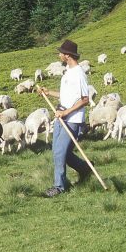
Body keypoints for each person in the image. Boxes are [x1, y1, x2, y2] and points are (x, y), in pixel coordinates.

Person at [37, 39, 92, 197]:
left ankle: (59, 187)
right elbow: (66, 95)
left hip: (72, 119)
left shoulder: (79, 74)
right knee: (60, 152)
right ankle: (85, 168)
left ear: (67, 55)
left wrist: (66, 112)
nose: (59, 55)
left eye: (61, 53)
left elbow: (85, 100)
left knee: (59, 153)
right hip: (61, 116)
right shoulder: (68, 71)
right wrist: (48, 93)